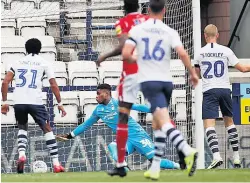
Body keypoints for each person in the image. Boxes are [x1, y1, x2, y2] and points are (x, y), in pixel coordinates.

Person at [122, 0, 199, 180]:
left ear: (148, 10)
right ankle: (155, 167)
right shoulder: (169, 31)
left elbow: (126, 54)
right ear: (164, 11)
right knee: (157, 123)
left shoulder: (138, 29)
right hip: (166, 82)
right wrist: (193, 74)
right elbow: (182, 53)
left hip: (150, 81)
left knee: (162, 121)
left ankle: (186, 149)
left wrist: (138, 56)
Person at [56, 84, 180, 176]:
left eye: (99, 93)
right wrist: (70, 135)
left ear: (106, 94)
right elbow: (85, 125)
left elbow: (139, 107)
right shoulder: (98, 110)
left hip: (138, 135)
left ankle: (180, 166)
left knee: (155, 162)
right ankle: (124, 168)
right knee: (112, 146)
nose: (97, 96)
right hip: (126, 140)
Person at [96, 0, 150, 176]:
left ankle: (120, 164)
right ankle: (185, 152)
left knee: (123, 117)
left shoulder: (122, 23)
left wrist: (105, 56)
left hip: (132, 72)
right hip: (154, 69)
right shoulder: (150, 21)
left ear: (124, 8)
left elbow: (123, 47)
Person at [1, 38, 66, 173]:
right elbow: (53, 85)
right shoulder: (44, 63)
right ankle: (56, 164)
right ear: (39, 49)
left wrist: (5, 102)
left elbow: (5, 82)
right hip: (35, 101)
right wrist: (60, 103)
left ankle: (22, 155)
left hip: (19, 101)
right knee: (47, 129)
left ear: (26, 48)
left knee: (22, 127)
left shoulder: (17, 62)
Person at [193, 24, 250, 169]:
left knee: (208, 124)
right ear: (217, 35)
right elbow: (243, 69)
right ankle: (236, 158)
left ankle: (216, 156)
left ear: (205, 36)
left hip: (209, 90)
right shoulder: (226, 51)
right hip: (225, 89)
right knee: (229, 122)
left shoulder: (200, 53)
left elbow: (197, 75)